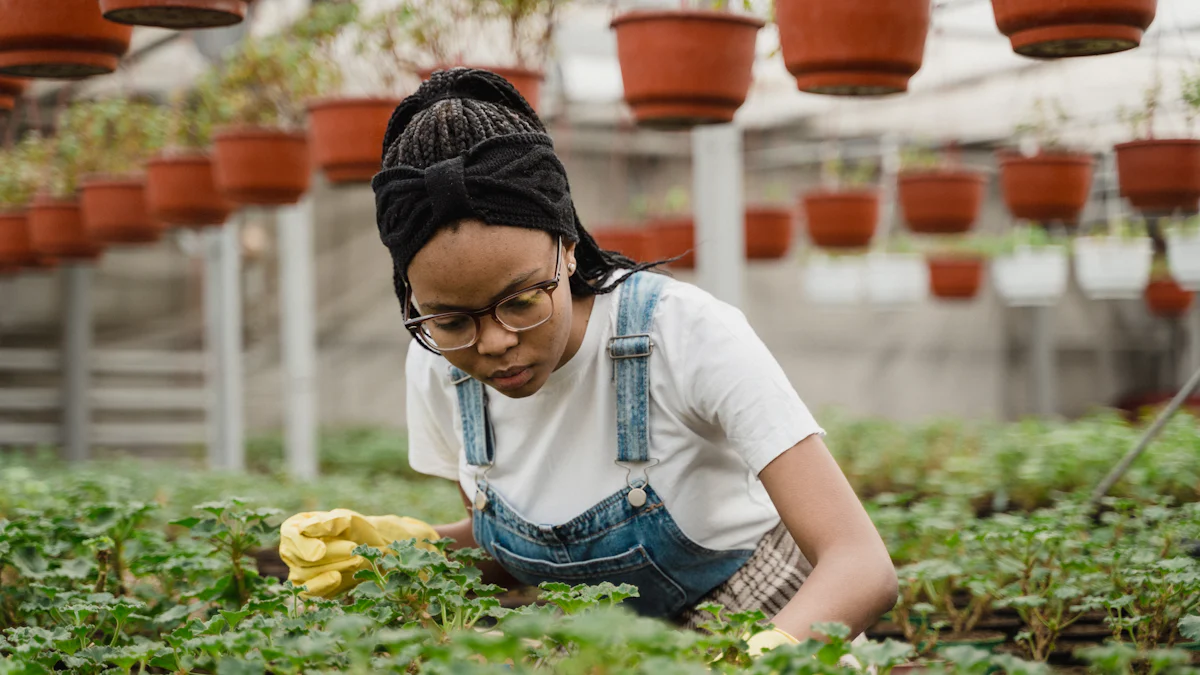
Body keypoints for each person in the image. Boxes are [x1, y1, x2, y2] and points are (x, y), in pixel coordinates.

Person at [279, 68, 897, 654]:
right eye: (451, 320)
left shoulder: (682, 334)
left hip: (765, 618)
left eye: (520, 301)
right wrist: (401, 551)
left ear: (567, 249)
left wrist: (765, 656)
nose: (491, 343)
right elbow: (518, 554)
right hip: (603, 650)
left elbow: (859, 564)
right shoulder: (439, 370)